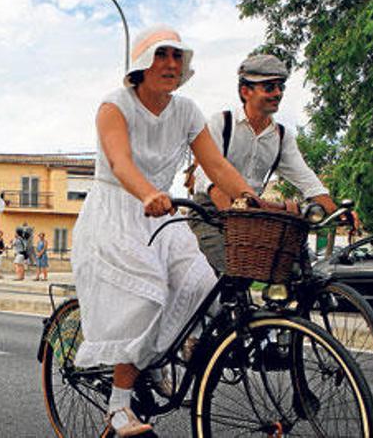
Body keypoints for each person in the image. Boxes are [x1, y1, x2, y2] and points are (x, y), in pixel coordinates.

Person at [71, 25, 256, 436]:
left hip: (164, 216)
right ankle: (119, 407)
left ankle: (149, 360)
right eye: (162, 55)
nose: (171, 64)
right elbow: (120, 163)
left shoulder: (187, 111)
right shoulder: (114, 106)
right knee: (148, 293)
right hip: (118, 211)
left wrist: (251, 198)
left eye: (178, 57)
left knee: (199, 282)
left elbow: (217, 167)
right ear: (141, 62)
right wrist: (149, 193)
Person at [188, 54, 338, 274]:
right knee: (232, 271)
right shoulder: (222, 122)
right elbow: (206, 172)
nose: (278, 93)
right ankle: (218, 307)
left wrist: (335, 209)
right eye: (269, 87)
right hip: (210, 212)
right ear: (245, 91)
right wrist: (228, 208)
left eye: (280, 87)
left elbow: (305, 177)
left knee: (291, 269)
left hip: (253, 215)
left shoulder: (281, 136)